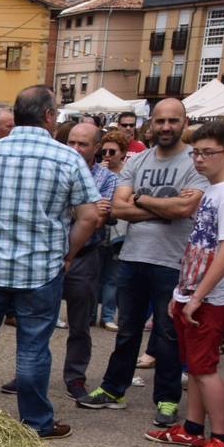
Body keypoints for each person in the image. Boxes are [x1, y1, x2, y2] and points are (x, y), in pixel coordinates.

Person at [0, 85, 101, 440]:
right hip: (41, 271)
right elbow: (89, 216)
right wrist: (67, 254)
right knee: (32, 349)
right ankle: (36, 422)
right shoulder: (67, 158)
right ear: (48, 116)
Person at [78, 98, 206, 427]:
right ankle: (113, 389)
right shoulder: (138, 161)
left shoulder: (194, 163)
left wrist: (140, 199)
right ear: (151, 124)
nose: (166, 127)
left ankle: (167, 398)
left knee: (167, 334)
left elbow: (185, 209)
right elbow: (118, 208)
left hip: (173, 261)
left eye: (173, 121)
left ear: (183, 123)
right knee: (127, 331)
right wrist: (164, 207)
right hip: (133, 257)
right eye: (160, 121)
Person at [145, 119, 224, 447]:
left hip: (212, 297)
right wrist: (183, 293)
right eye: (196, 153)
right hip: (193, 291)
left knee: (204, 369)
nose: (200, 159)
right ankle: (192, 428)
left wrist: (198, 297)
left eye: (208, 153)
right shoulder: (213, 190)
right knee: (194, 366)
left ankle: (221, 438)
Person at [39, 123, 116, 399]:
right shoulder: (53, 169)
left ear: (97, 147)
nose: (75, 149)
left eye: (82, 144)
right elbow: (51, 210)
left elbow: (98, 219)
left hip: (85, 255)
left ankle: (75, 377)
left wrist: (74, 210)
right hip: (50, 254)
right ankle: (31, 374)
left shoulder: (107, 177)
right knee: (38, 319)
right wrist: (85, 210)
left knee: (80, 323)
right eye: (71, 142)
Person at [97, 130, 128, 329]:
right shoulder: (97, 172)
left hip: (119, 230)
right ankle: (90, 314)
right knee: (94, 274)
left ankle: (107, 316)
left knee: (112, 276)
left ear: (122, 153)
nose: (107, 155)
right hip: (99, 228)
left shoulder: (127, 175)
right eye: (104, 151)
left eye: (112, 152)